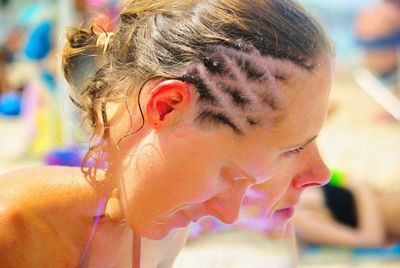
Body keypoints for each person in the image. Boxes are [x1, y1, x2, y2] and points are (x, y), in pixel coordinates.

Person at [0, 0, 334, 267]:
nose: (228, 214)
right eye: (229, 174)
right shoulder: (15, 234)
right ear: (166, 107)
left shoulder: (164, 225)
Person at [294, 177, 400, 247]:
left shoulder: (306, 190)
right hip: (370, 219)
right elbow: (369, 240)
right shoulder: (300, 219)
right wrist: (364, 190)